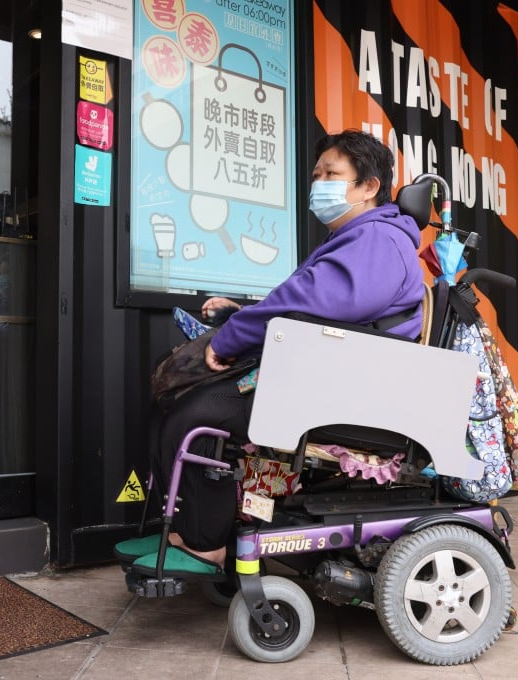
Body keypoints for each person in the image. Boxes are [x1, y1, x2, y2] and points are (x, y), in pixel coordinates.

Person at [148, 129, 426, 573]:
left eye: (332, 174)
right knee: (187, 403)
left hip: (347, 394)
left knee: (197, 414)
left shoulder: (377, 239)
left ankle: (208, 542)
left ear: (369, 186)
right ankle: (202, 529)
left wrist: (230, 336)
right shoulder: (363, 237)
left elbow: (312, 304)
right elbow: (316, 305)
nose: (320, 184)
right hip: (332, 380)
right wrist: (244, 314)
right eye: (317, 175)